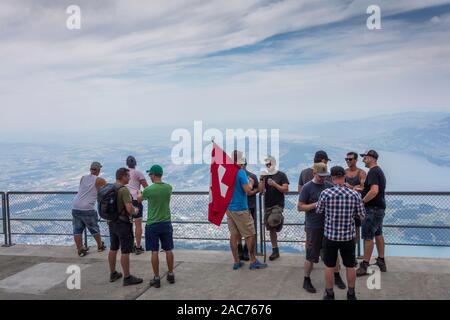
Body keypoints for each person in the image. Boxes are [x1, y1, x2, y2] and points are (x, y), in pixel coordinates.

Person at [317, 166, 366, 300]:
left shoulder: (325, 194)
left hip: (330, 237)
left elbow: (319, 210)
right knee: (350, 266)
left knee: (329, 266)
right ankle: (351, 294)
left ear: (332, 178)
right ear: (344, 177)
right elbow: (362, 215)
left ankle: (329, 293)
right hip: (348, 237)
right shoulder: (355, 194)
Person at [298, 163, 345, 293]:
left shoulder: (329, 185)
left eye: (325, 176)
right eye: (320, 176)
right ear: (314, 173)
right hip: (313, 226)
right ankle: (306, 280)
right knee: (311, 254)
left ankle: (337, 276)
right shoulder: (307, 188)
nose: (323, 179)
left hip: (329, 226)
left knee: (333, 254)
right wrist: (316, 204)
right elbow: (300, 207)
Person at [227, 151, 267, 270]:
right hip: (241, 208)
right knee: (250, 234)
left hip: (229, 208)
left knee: (234, 235)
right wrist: (251, 183)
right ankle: (253, 260)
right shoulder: (240, 173)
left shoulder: (227, 172)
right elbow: (248, 191)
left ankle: (236, 261)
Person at [139, 165, 175, 288]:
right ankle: (171, 274)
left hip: (153, 224)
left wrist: (140, 193)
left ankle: (157, 278)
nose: (149, 176)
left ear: (153, 175)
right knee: (168, 249)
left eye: (150, 174)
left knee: (154, 251)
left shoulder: (149, 190)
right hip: (166, 222)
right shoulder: (168, 188)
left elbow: (139, 199)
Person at [108, 168, 143, 286]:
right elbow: (129, 209)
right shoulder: (123, 190)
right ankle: (127, 277)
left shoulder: (111, 187)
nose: (129, 178)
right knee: (125, 250)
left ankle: (113, 273)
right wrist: (136, 210)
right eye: (128, 176)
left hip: (112, 222)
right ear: (122, 176)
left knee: (113, 248)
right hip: (123, 224)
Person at [357, 150, 387, 276]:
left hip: (372, 210)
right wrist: (360, 189)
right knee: (378, 233)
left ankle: (365, 265)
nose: (363, 160)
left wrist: (362, 201)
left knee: (368, 237)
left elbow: (374, 191)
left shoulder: (373, 172)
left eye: (365, 157)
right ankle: (381, 260)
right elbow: (372, 189)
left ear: (371, 158)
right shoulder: (378, 171)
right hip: (379, 208)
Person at [72, 161, 107, 257]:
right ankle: (100, 246)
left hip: (75, 206)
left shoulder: (83, 178)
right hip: (87, 208)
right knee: (94, 228)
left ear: (91, 169)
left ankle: (80, 250)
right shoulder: (100, 180)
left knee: (77, 230)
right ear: (99, 170)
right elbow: (107, 191)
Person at [258, 156, 289, 261]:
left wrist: (275, 184)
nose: (268, 166)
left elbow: (285, 189)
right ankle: (275, 250)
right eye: (266, 164)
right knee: (271, 228)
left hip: (278, 205)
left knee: (273, 221)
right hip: (268, 205)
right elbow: (261, 191)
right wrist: (262, 179)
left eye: (269, 164)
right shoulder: (265, 176)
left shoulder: (281, 175)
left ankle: (278, 219)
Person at [345, 152, 367, 258]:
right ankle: (349, 254)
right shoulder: (344, 172)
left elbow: (364, 188)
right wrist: (355, 187)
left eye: (350, 159)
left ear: (356, 160)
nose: (348, 161)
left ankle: (353, 255)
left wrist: (350, 187)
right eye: (347, 159)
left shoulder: (361, 173)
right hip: (346, 207)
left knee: (356, 231)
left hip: (356, 207)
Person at [125, 155, 148, 255]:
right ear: (135, 163)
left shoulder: (123, 173)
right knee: (138, 225)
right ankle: (138, 247)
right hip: (135, 200)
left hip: (125, 200)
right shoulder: (138, 173)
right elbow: (146, 187)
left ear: (127, 163)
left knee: (127, 224)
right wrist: (142, 194)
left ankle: (128, 246)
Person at [237, 158, 259, 261]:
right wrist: (252, 192)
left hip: (240, 206)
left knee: (238, 230)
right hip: (249, 206)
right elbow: (255, 189)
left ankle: (240, 250)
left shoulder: (234, 175)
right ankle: (246, 252)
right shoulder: (252, 176)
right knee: (249, 231)